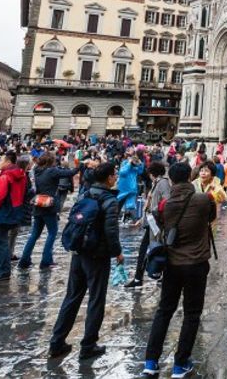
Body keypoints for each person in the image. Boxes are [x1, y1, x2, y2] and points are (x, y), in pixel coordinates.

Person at [143, 160, 217, 378]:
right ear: (189, 178)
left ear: (172, 180)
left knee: (164, 310)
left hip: (172, 264)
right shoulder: (204, 200)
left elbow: (156, 223)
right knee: (192, 313)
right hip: (196, 264)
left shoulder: (166, 204)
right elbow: (211, 217)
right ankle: (180, 364)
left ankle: (150, 362)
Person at [48, 162, 123, 361]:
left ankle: (57, 342)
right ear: (108, 178)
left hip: (78, 252)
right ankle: (88, 345)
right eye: (113, 175)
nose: (115, 177)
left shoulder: (85, 194)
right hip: (97, 256)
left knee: (71, 297)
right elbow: (111, 231)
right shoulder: (109, 200)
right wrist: (117, 253)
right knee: (96, 299)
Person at [19, 154, 78, 270]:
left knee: (34, 234)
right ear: (51, 162)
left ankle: (24, 260)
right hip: (49, 206)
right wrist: (79, 166)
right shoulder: (52, 171)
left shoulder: (37, 170)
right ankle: (46, 261)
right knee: (52, 233)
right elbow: (70, 173)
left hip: (38, 205)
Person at [126, 161, 171, 289]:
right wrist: (143, 218)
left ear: (152, 173)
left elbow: (166, 201)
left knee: (155, 250)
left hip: (157, 224)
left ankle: (146, 277)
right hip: (151, 223)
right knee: (146, 251)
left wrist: (154, 212)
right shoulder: (157, 183)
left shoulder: (163, 183)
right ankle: (139, 278)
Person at [0, 151, 27, 282]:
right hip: (14, 210)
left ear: (8, 162)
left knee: (0, 242)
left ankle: (3, 271)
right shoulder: (21, 174)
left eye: (1, 160)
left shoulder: (5, 176)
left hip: (2, 212)